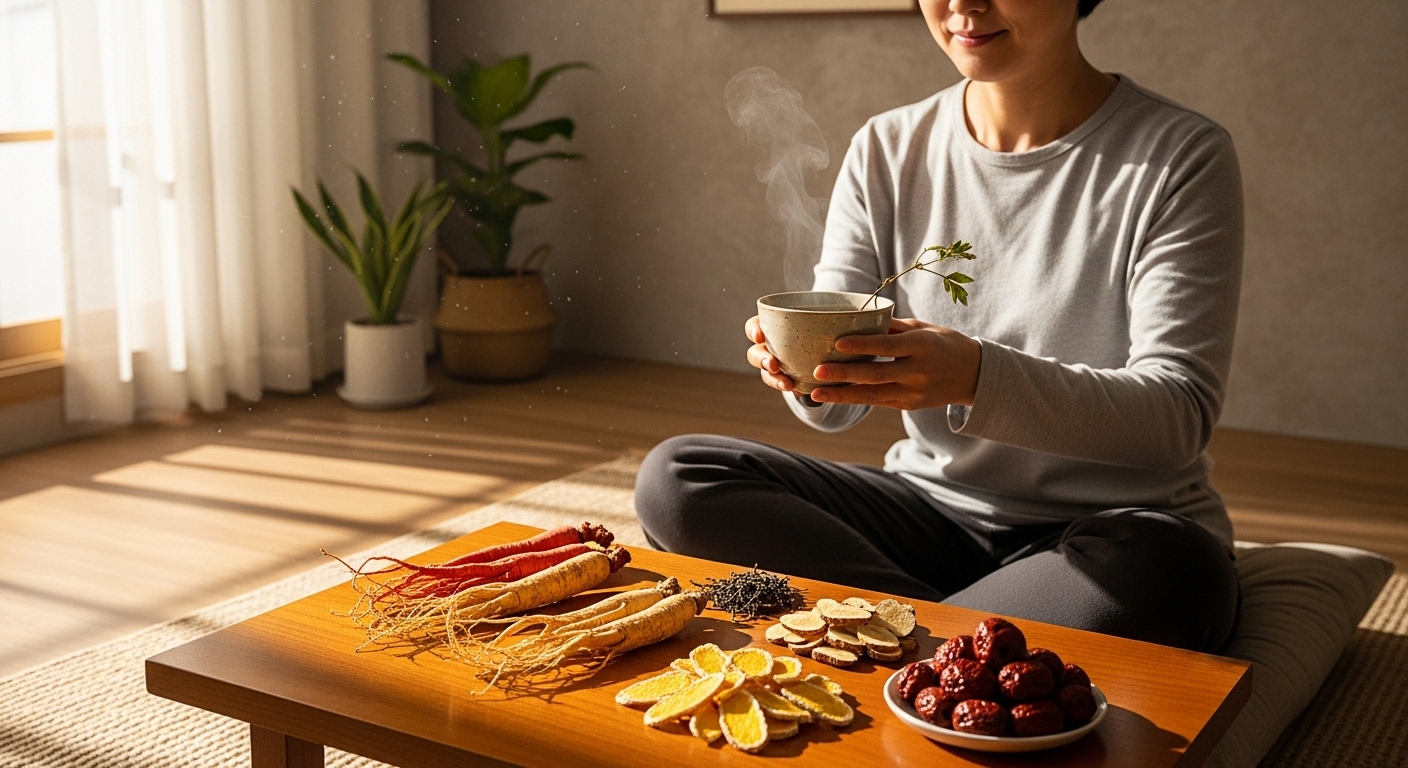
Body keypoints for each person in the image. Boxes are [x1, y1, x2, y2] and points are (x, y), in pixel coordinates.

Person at [636, 0, 1243, 653]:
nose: (962, 4)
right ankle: (951, 645)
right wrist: (809, 372)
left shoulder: (1180, 156)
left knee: (1174, 574)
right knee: (678, 479)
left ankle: (889, 634)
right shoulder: (888, 148)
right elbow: (832, 411)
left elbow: (1177, 417)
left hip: (1110, 533)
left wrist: (976, 378)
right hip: (933, 513)